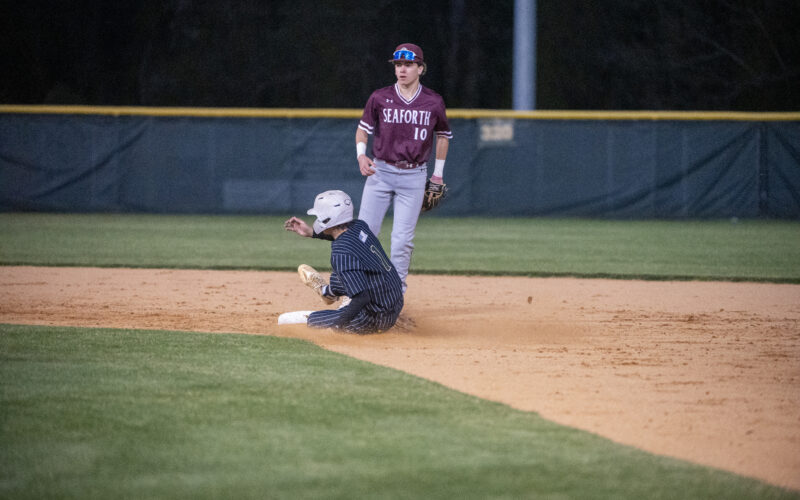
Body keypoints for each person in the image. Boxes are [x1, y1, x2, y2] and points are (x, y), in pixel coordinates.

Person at [355, 43, 452, 294]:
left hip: (414, 176)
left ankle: (395, 296)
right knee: (364, 235)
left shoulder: (433, 101)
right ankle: (355, 290)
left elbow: (443, 135)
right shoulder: (380, 97)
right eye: (398, 65)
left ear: (420, 68)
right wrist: (361, 156)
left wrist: (437, 175)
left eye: (408, 65)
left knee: (401, 242)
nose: (402, 69)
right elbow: (363, 130)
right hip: (381, 173)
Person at [282, 190, 404, 333]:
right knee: (346, 271)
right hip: (395, 303)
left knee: (287, 321)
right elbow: (341, 236)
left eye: (320, 215)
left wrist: (337, 326)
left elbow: (362, 298)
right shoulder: (359, 226)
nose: (318, 219)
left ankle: (327, 293)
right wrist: (311, 232)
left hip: (374, 319)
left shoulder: (341, 253)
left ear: (329, 218)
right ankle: (327, 292)